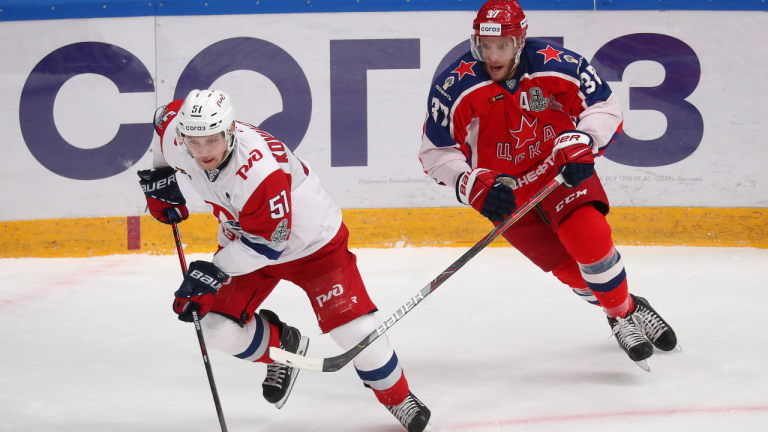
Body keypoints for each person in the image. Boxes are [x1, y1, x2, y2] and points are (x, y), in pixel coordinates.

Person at [138, 89, 434, 432]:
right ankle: (284, 344)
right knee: (215, 330)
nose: (204, 152)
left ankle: (397, 397)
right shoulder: (178, 132)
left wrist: (213, 273)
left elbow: (266, 247)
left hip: (313, 247)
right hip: (244, 238)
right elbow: (163, 125)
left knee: (357, 334)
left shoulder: (259, 172)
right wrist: (161, 177)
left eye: (214, 140)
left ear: (230, 131)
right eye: (195, 142)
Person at [419, 0, 678, 370]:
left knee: (588, 242)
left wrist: (583, 141)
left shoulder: (557, 64)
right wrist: (470, 184)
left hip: (559, 173)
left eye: (502, 46)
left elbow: (604, 107)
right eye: (486, 45)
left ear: (520, 40)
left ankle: (620, 315)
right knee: (569, 271)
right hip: (505, 192)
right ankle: (629, 306)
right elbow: (436, 152)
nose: (493, 55)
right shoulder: (454, 86)